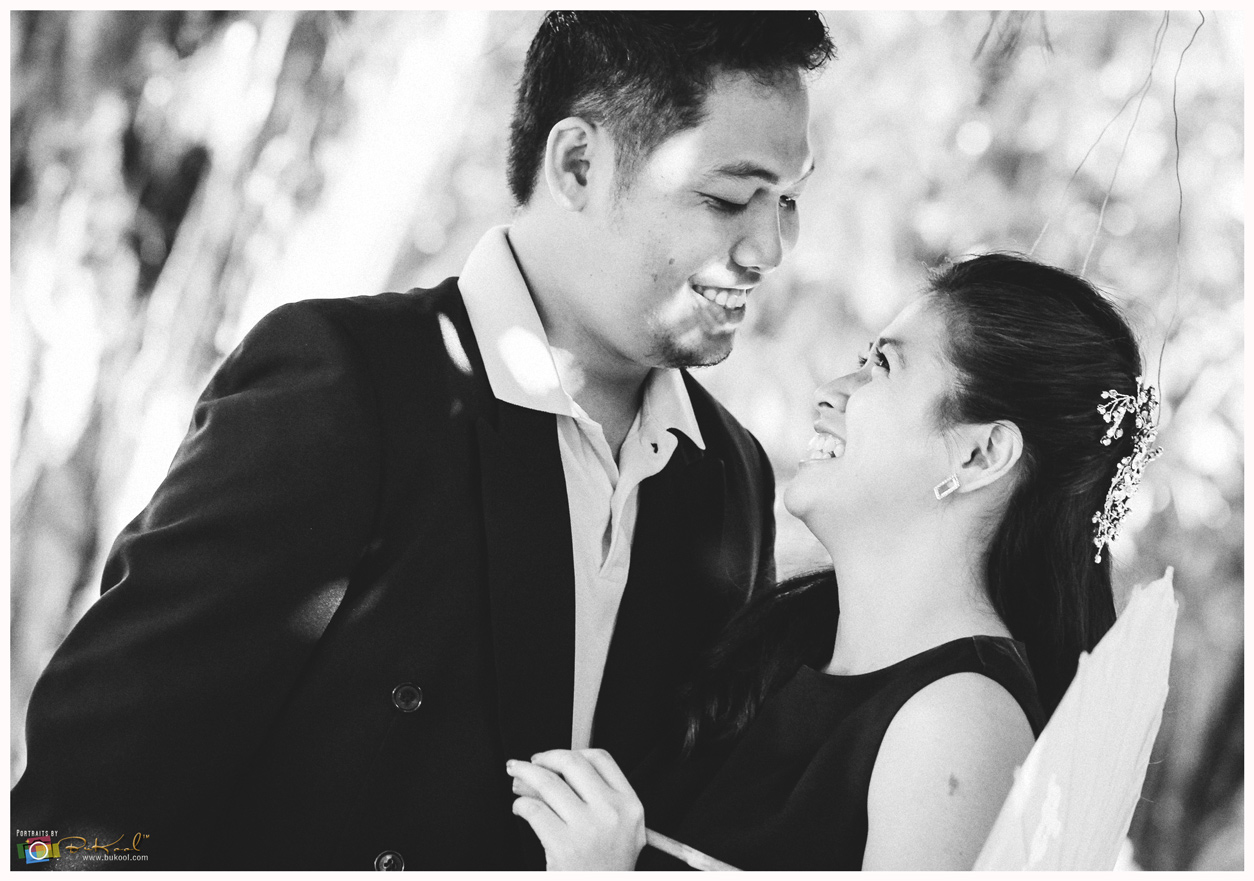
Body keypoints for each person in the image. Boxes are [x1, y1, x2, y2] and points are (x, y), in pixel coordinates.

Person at [11, 12, 834, 871]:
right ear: (578, 165)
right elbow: (73, 815)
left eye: (788, 199)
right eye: (729, 198)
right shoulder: (347, 386)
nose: (772, 247)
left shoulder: (729, 480)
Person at [506, 254, 1159, 870]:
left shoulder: (958, 727)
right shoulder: (779, 648)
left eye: (882, 366)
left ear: (979, 455)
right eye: (861, 360)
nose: (829, 392)